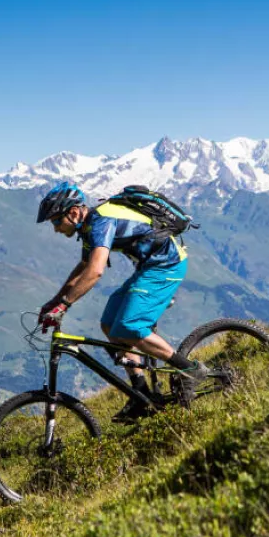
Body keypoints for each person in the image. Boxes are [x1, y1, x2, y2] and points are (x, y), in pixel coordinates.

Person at [36, 181, 208, 423]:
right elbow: (83, 266)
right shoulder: (88, 226)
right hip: (148, 267)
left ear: (73, 212)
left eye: (55, 221)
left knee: (130, 326)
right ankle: (141, 393)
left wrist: (64, 305)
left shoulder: (101, 221)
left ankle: (190, 371)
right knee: (109, 324)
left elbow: (95, 271)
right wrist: (55, 301)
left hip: (166, 266)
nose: (55, 228)